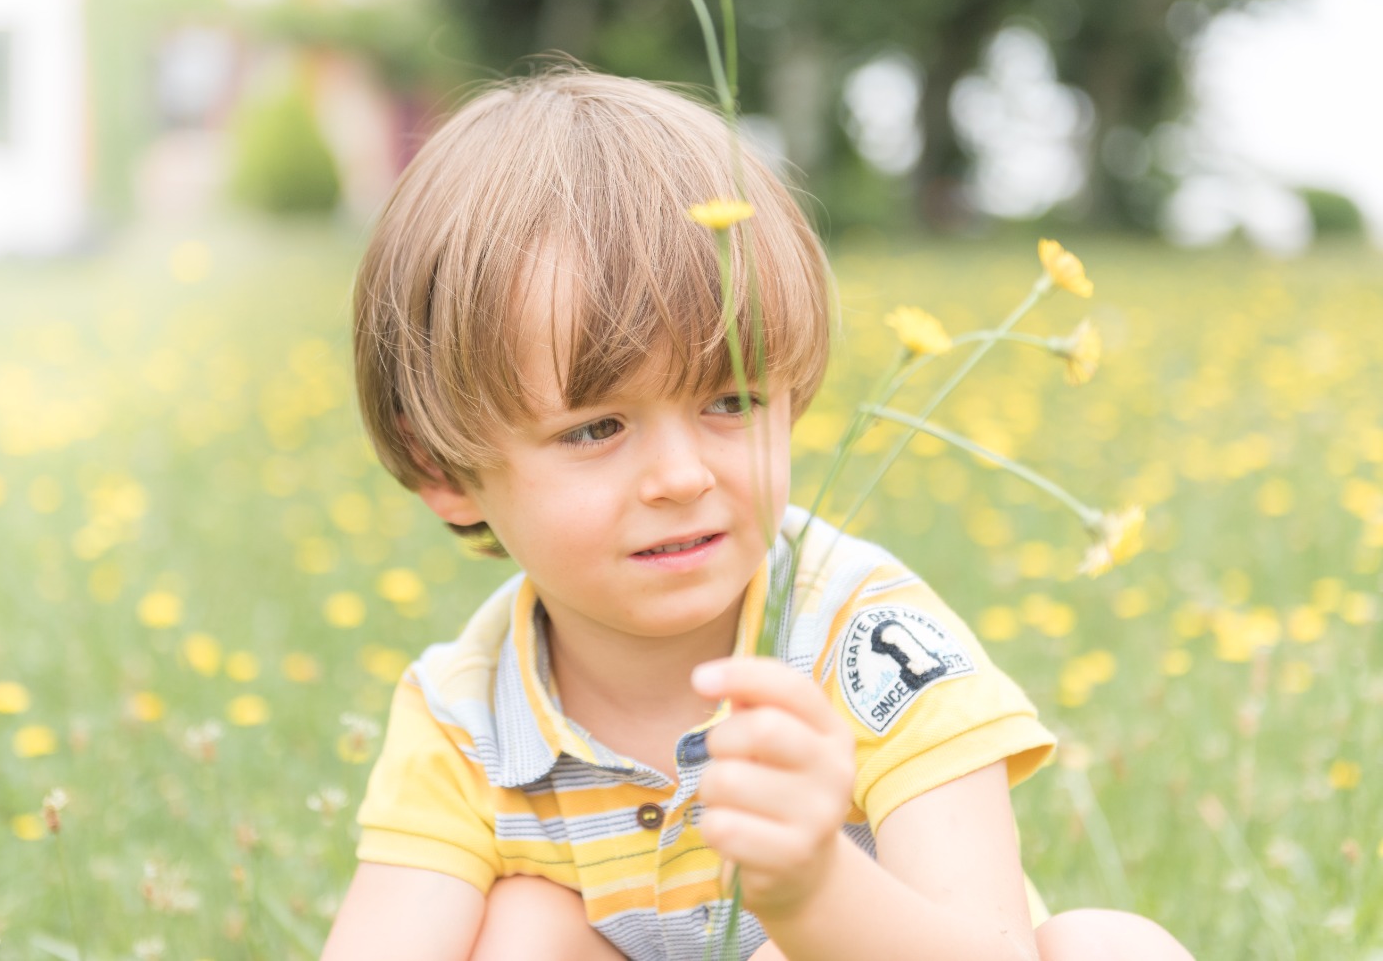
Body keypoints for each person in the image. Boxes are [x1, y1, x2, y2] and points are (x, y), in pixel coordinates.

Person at [323, 67, 1192, 961]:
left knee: (1109, 946)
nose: (680, 475)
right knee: (524, 925)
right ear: (442, 465)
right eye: (596, 428)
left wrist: (813, 887)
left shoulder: (866, 641)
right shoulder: (466, 715)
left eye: (730, 402)